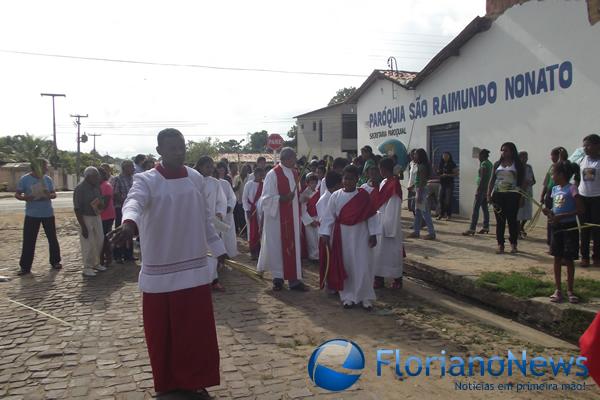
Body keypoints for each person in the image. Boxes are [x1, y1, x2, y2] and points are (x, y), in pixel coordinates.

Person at [109, 128, 227, 398]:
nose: (179, 151)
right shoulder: (146, 180)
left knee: (195, 333)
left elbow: (205, 218)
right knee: (162, 333)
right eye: (172, 147)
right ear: (159, 150)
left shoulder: (195, 178)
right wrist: (128, 224)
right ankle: (168, 382)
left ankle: (195, 380)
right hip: (160, 271)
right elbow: (133, 203)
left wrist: (218, 249)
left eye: (182, 145)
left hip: (194, 270)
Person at [319, 165, 380, 310]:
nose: (348, 182)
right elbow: (328, 217)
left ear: (357, 180)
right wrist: (325, 234)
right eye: (345, 178)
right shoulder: (336, 196)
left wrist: (373, 233)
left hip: (361, 235)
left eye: (351, 179)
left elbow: (371, 216)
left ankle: (365, 297)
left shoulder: (363, 195)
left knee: (363, 265)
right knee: (346, 266)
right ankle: (347, 297)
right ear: (342, 179)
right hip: (343, 236)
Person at [257, 147, 309, 292]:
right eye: (293, 158)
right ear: (286, 158)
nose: (295, 161)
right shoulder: (273, 174)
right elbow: (265, 199)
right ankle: (278, 279)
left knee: (292, 247)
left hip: (292, 217)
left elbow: (296, 195)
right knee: (278, 248)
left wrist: (301, 198)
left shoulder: (294, 173)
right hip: (277, 220)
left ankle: (294, 280)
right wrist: (281, 198)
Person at [543, 161, 583, 303]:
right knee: (557, 257)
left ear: (560, 174)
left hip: (569, 227)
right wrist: (549, 213)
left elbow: (579, 210)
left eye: (553, 173)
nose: (551, 176)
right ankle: (558, 289)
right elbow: (555, 210)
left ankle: (570, 290)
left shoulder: (572, 189)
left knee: (569, 259)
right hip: (556, 228)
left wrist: (563, 216)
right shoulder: (554, 190)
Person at [15, 158, 62, 276]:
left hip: (47, 213)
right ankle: (25, 267)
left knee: (52, 239)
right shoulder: (25, 179)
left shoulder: (47, 179)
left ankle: (55, 261)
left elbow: (54, 194)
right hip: (32, 214)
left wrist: (48, 195)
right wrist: (26, 198)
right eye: (45, 167)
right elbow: (17, 194)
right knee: (29, 240)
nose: (47, 169)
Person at [194, 156, 227, 291]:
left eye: (211, 166)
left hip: (212, 221)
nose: (210, 169)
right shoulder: (192, 180)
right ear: (200, 167)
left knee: (212, 252)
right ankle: (199, 281)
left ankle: (213, 280)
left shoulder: (215, 183)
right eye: (207, 166)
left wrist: (220, 212)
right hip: (196, 222)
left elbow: (221, 200)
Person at [487, 142, 525, 254]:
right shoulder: (497, 164)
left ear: (512, 151)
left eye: (506, 150)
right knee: (500, 221)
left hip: (513, 195)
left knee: (512, 220)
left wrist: (522, 197)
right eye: (502, 150)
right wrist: (488, 194)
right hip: (498, 195)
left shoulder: (517, 165)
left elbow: (522, 182)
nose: (503, 152)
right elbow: (492, 180)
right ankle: (500, 244)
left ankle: (513, 244)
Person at [373, 158, 404, 289]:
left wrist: (389, 227)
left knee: (392, 254)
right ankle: (378, 278)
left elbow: (394, 206)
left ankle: (397, 279)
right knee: (378, 253)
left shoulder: (394, 184)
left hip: (389, 224)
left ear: (384, 169)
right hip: (380, 220)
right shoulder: (384, 182)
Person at [74, 167, 105, 277]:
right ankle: (87, 266)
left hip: (96, 216)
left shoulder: (96, 187)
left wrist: (101, 205)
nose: (97, 178)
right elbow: (77, 208)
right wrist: (83, 226)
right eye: (95, 176)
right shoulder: (80, 189)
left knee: (99, 239)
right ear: (88, 176)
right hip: (85, 217)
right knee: (87, 242)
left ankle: (96, 263)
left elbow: (101, 200)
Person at [316, 171, 343, 292]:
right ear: (335, 186)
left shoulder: (336, 196)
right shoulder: (324, 200)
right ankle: (331, 285)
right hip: (328, 235)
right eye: (341, 184)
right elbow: (325, 220)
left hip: (337, 234)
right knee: (330, 260)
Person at [540, 147, 569, 251]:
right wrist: (542, 195)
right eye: (551, 155)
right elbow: (546, 182)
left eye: (555, 155)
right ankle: (550, 241)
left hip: (560, 194)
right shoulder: (551, 167)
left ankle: (556, 242)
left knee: (557, 217)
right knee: (550, 217)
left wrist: (563, 155)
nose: (552, 157)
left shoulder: (563, 166)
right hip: (550, 193)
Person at [578, 134, 600, 267]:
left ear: (597, 146)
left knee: (597, 229)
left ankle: (597, 256)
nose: (585, 148)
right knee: (584, 229)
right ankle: (584, 257)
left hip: (597, 198)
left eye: (588, 145)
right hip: (583, 197)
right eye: (584, 145)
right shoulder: (582, 159)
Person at [408, 149, 436, 240]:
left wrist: (419, 194)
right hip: (419, 190)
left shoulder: (422, 167)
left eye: (415, 155)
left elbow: (422, 182)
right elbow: (418, 180)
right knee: (418, 212)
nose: (413, 156)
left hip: (421, 191)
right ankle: (416, 231)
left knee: (425, 213)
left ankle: (432, 233)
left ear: (420, 156)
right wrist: (412, 186)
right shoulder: (420, 166)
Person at [463, 149, 493, 236]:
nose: (478, 158)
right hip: (486, 189)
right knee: (485, 208)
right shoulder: (490, 163)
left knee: (475, 209)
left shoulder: (484, 164)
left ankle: (472, 228)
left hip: (482, 189)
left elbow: (483, 178)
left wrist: (478, 189)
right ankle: (486, 226)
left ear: (482, 156)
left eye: (479, 156)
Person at [111, 160, 135, 263]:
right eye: (131, 167)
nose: (133, 169)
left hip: (131, 209)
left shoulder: (133, 179)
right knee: (121, 232)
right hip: (120, 209)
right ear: (125, 168)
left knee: (130, 232)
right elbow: (115, 194)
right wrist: (127, 203)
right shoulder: (117, 179)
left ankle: (128, 255)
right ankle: (117, 255)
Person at [215, 162, 239, 261]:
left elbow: (232, 197)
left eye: (222, 168)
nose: (221, 170)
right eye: (219, 168)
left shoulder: (225, 183)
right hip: (214, 215)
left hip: (226, 215)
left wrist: (229, 206)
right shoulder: (207, 183)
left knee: (227, 236)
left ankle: (227, 255)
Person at [242, 167, 265, 260]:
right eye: (259, 174)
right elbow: (244, 198)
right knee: (251, 231)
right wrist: (247, 210)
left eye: (262, 174)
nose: (261, 176)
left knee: (260, 230)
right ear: (255, 174)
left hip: (260, 211)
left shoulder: (264, 185)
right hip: (250, 210)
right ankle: (253, 251)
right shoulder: (249, 184)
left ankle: (260, 251)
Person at [300, 173, 320, 262]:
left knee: (318, 237)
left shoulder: (318, 193)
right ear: (307, 183)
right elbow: (303, 209)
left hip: (317, 218)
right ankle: (313, 257)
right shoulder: (304, 194)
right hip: (309, 219)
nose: (313, 184)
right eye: (311, 183)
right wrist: (310, 221)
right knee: (311, 239)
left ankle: (319, 255)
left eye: (315, 182)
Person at [517, 151, 536, 238]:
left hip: (528, 193)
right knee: (518, 213)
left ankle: (521, 227)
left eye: (526, 157)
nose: (525, 159)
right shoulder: (516, 168)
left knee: (527, 212)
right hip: (519, 192)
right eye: (523, 157)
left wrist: (530, 182)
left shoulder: (529, 167)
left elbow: (534, 180)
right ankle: (517, 230)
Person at [99, 168, 116, 268]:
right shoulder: (98, 185)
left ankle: (108, 257)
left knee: (105, 237)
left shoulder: (106, 186)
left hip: (107, 215)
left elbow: (105, 202)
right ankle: (104, 256)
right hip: (101, 215)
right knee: (102, 237)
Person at [436, 152, 458, 221]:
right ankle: (441, 214)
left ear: (449, 156)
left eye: (446, 156)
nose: (445, 157)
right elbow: (439, 173)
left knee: (448, 200)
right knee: (440, 199)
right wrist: (438, 172)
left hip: (449, 184)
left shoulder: (452, 164)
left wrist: (447, 175)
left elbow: (456, 174)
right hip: (442, 183)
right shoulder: (441, 163)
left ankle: (449, 215)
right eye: (444, 156)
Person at [231, 163, 248, 235]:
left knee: (245, 216)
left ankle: (245, 231)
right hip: (239, 200)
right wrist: (237, 186)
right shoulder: (236, 178)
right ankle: (241, 231)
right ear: (240, 170)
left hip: (247, 200)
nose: (244, 171)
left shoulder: (250, 177)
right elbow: (233, 189)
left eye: (246, 170)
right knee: (240, 216)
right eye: (243, 169)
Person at [407, 149, 418, 214]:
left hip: (416, 187)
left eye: (413, 155)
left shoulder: (419, 164)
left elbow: (419, 178)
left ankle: (420, 221)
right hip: (410, 186)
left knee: (415, 206)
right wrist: (409, 185)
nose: (411, 156)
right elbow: (410, 175)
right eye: (410, 155)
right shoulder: (411, 163)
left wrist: (413, 186)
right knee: (411, 207)